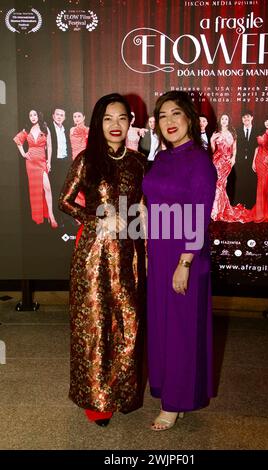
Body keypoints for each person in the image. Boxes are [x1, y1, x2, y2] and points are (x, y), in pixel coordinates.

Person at [59, 93, 147, 427]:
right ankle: (97, 402)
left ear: (130, 123)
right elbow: (65, 202)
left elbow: (143, 206)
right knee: (95, 325)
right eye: (108, 118)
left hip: (128, 254)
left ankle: (123, 394)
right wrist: (98, 219)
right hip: (93, 254)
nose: (115, 125)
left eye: (122, 118)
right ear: (99, 123)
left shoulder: (139, 163)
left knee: (127, 323)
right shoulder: (87, 159)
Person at [142, 91, 217, 431]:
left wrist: (184, 262)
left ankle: (174, 403)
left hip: (185, 253)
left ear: (190, 119)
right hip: (159, 252)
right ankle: (175, 393)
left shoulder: (199, 160)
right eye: (162, 116)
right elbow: (151, 206)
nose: (169, 122)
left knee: (181, 331)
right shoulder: (161, 158)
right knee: (163, 326)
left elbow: (200, 216)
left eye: (176, 114)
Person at [13, 109, 58, 228]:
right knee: (35, 191)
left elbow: (49, 146)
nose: (33, 117)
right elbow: (18, 140)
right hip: (31, 163)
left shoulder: (45, 128)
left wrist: (49, 161)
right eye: (30, 115)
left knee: (47, 188)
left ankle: (51, 215)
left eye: (34, 115)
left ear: (39, 115)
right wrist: (23, 153)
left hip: (42, 162)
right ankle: (39, 216)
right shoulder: (27, 129)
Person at [210, 113, 250, 222]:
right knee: (217, 183)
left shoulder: (232, 133)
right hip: (217, 160)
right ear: (220, 120)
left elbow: (235, 148)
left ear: (228, 121)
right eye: (222, 118)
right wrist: (212, 140)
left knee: (221, 184)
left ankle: (218, 209)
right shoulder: (216, 133)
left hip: (227, 162)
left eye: (226, 119)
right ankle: (217, 210)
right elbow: (213, 150)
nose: (224, 120)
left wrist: (233, 159)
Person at [251, 114, 268, 223]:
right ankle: (259, 212)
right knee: (259, 186)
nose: (267, 123)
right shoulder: (262, 133)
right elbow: (257, 148)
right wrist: (253, 161)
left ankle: (264, 213)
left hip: (267, 163)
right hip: (258, 161)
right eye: (266, 121)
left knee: (264, 187)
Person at [49, 108, 71, 226]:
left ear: (64, 118)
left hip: (65, 162)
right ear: (53, 116)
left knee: (65, 191)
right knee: (55, 191)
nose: (59, 117)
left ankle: (65, 216)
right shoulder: (48, 128)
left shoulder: (66, 129)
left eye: (62, 115)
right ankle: (57, 217)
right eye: (57, 114)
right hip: (54, 163)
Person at [232, 110, 258, 208]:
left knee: (251, 182)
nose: (246, 119)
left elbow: (258, 146)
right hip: (239, 161)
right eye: (244, 117)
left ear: (252, 118)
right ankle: (239, 202)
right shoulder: (237, 130)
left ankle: (249, 203)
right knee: (239, 181)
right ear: (242, 119)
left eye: (248, 116)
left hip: (252, 161)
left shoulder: (257, 130)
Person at [70, 111, 89, 208]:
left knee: (84, 184)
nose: (76, 118)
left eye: (79, 116)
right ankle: (78, 209)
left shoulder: (88, 130)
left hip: (85, 159)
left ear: (84, 117)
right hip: (74, 159)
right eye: (74, 116)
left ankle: (86, 207)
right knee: (76, 184)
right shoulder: (71, 130)